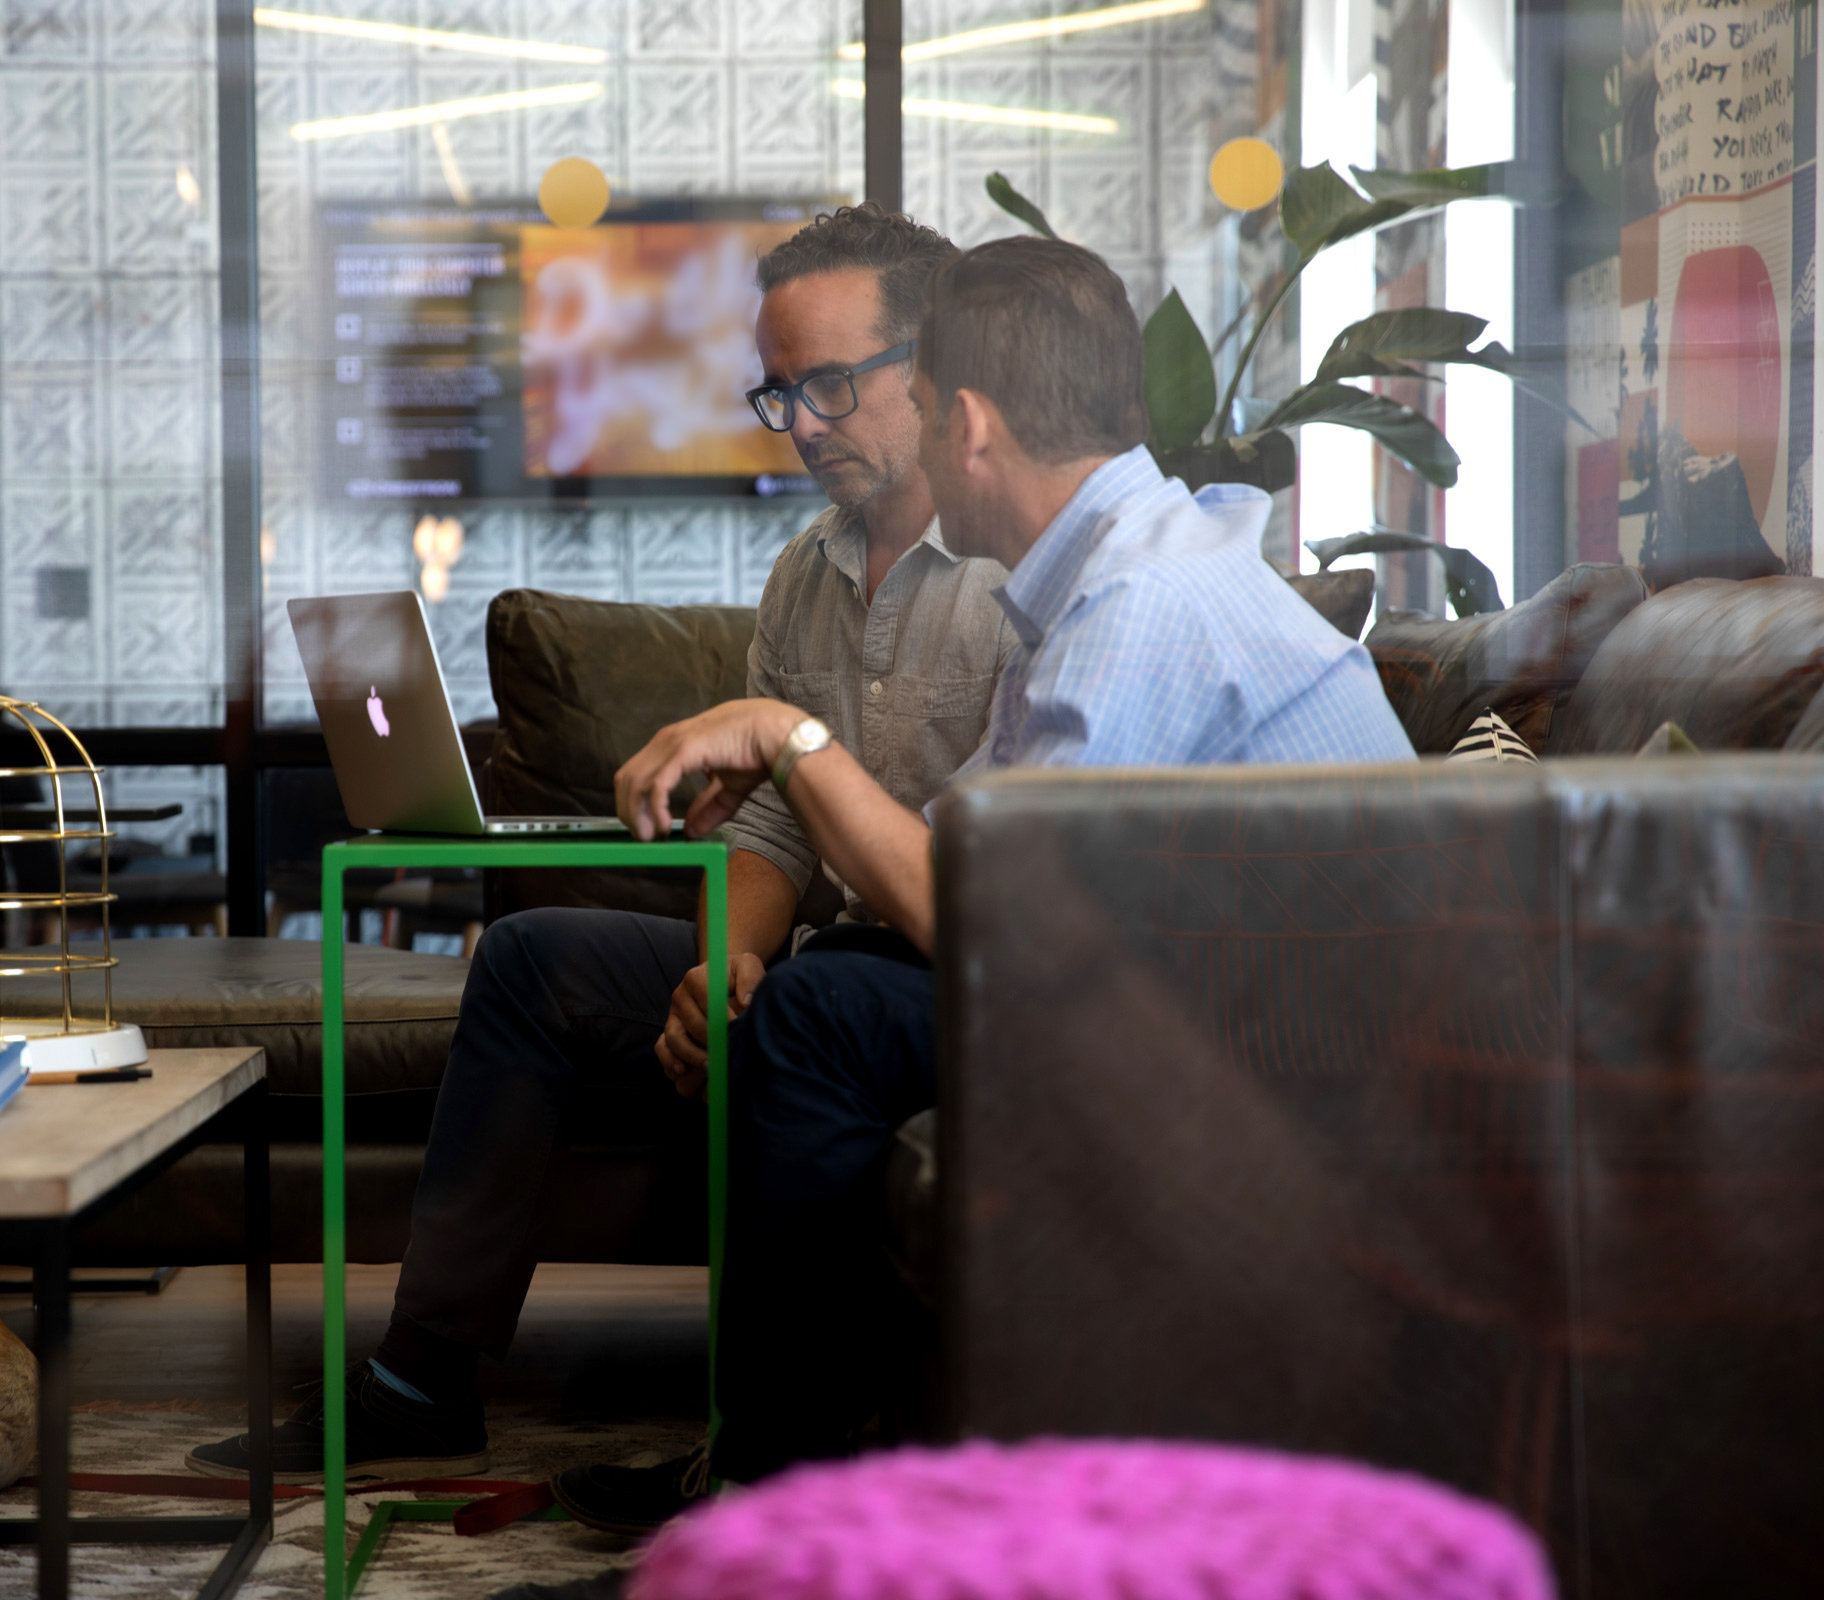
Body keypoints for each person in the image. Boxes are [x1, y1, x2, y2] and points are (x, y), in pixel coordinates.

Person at [545, 234, 1418, 1536]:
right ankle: (779, 1476)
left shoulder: (1141, 605)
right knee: (828, 985)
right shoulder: (1111, 578)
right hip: (1200, 999)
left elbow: (985, 919)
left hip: (1299, 1061)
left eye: (901, 395)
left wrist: (787, 736)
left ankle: (782, 1511)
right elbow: (968, 868)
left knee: (822, 1015)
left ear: (967, 424)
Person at [187, 203, 1018, 1483]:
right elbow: (769, 821)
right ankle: (421, 1379)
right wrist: (726, 963)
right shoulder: (805, 575)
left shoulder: (1018, 574)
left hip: (935, 970)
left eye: (831, 385)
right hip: (826, 955)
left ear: (933, 366)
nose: (802, 425)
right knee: (531, 959)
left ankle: (766, 1462)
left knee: (814, 1009)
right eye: (779, 394)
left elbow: (995, 889)